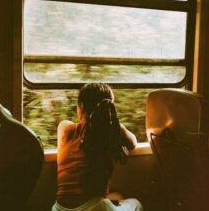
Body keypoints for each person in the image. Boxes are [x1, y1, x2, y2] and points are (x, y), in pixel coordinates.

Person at [52, 83, 143, 211]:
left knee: (115, 196)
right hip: (96, 207)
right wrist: (115, 125)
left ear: (81, 106)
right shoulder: (111, 132)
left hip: (59, 208)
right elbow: (133, 143)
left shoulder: (64, 128)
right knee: (135, 203)